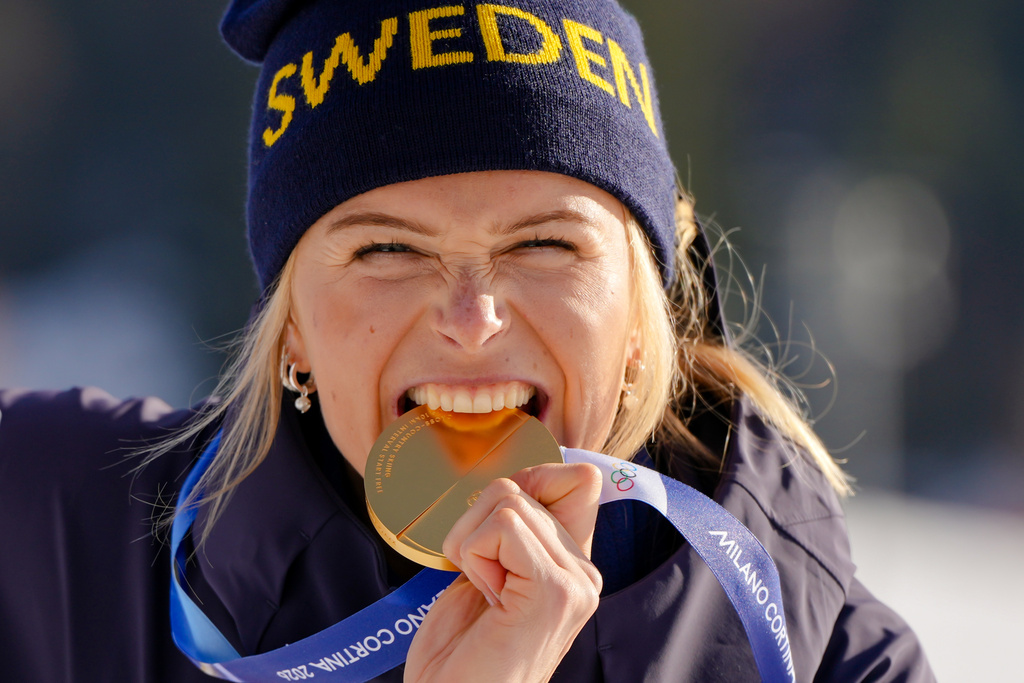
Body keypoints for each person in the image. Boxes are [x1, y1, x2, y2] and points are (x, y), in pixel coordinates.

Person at [0, 0, 935, 681]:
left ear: (644, 321)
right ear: (290, 331)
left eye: (543, 244)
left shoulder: (829, 654)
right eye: (388, 249)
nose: (472, 315)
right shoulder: (58, 542)